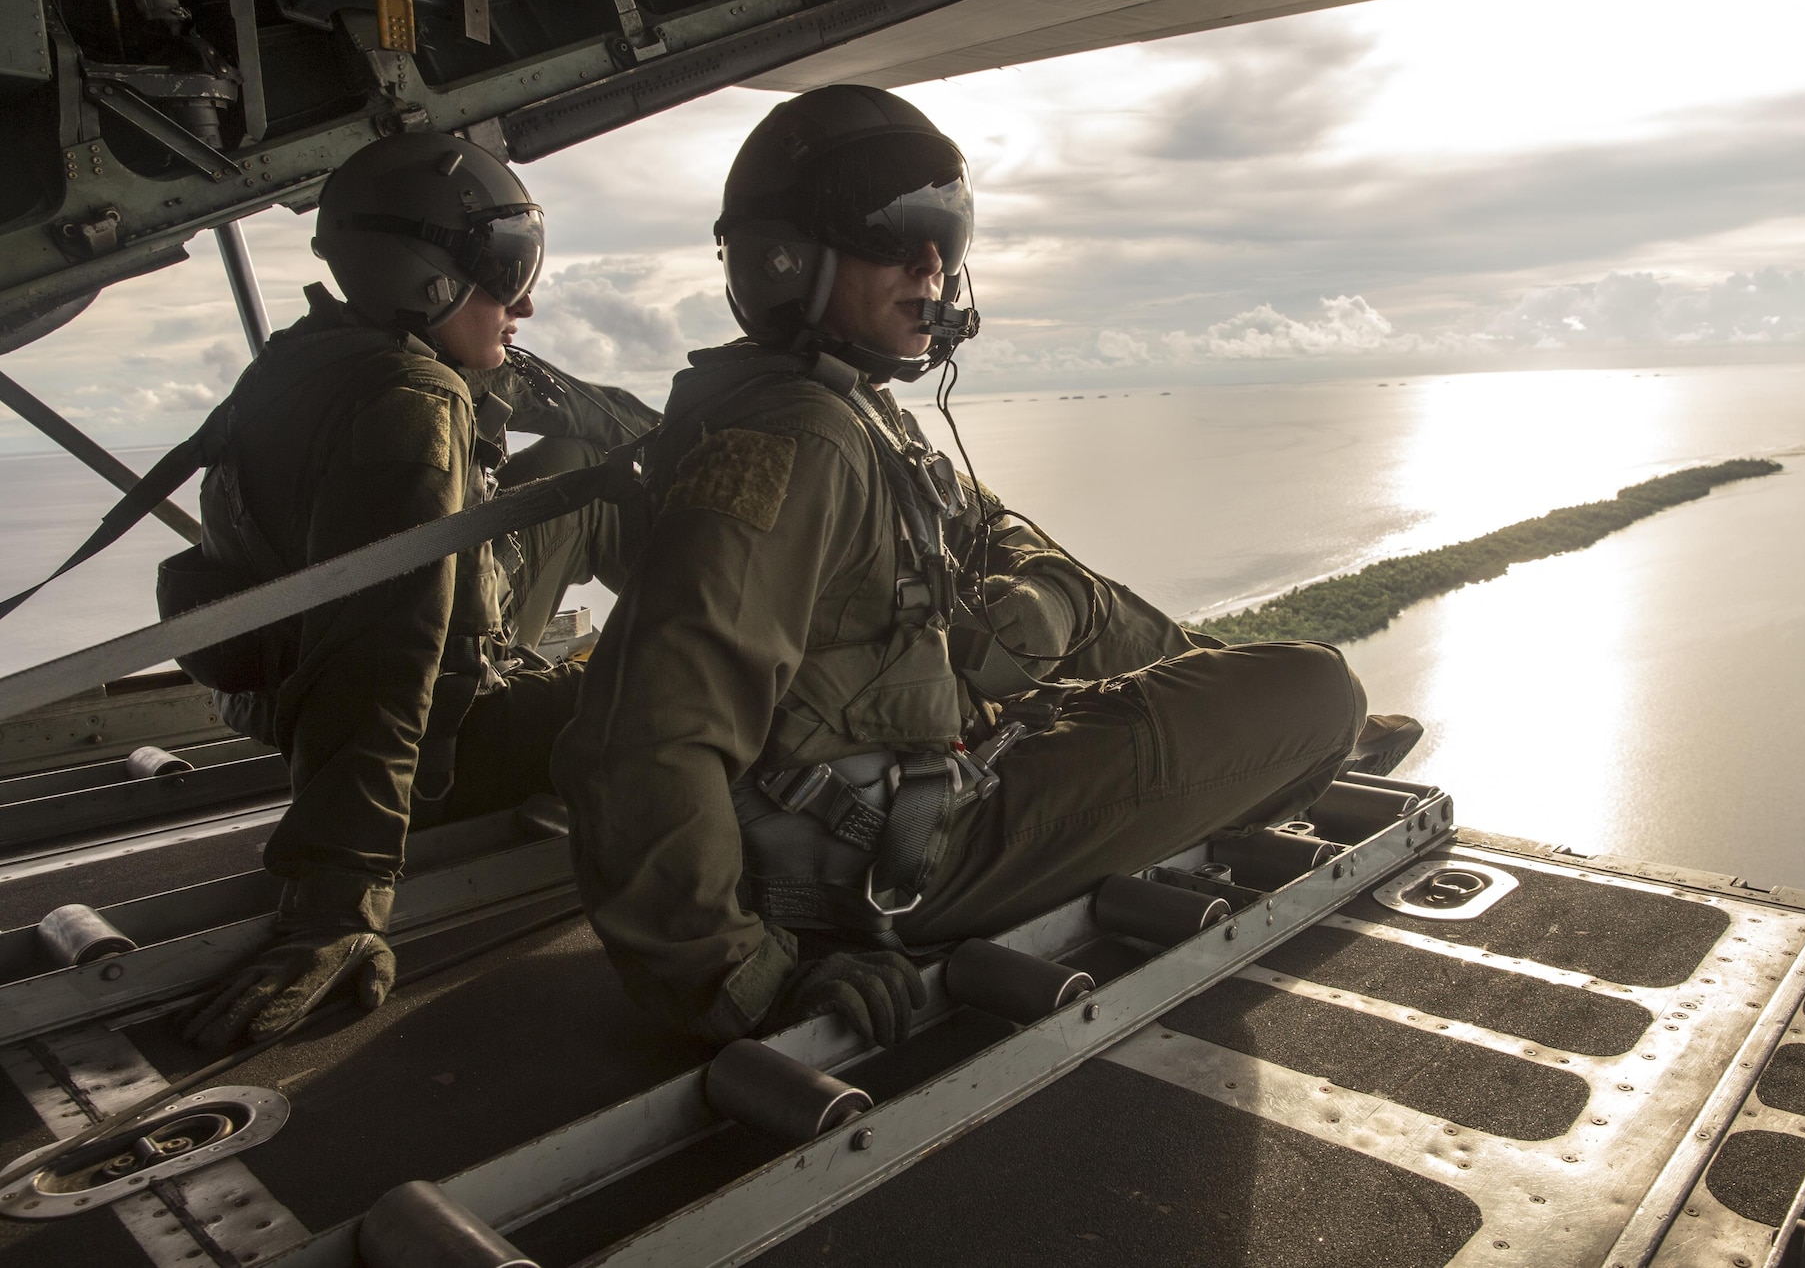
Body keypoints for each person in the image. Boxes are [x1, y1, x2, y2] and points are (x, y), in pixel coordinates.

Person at [554, 85, 1417, 1049]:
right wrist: (747, 977)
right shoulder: (801, 445)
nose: (933, 261)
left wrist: (1044, 595)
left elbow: (989, 526)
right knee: (1318, 689)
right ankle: (1300, 737)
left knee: (1108, 616)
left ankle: (1230, 699)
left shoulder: (840, 411)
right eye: (895, 226)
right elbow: (641, 739)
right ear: (787, 255)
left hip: (918, 791)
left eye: (946, 233)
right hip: (906, 860)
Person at [176, 132, 657, 1048]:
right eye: (507, 268)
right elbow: (381, 662)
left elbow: (584, 411)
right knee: (719, 674)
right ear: (425, 277)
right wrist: (338, 897)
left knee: (583, 465)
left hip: (300, 696)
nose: (525, 298)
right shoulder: (411, 406)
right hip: (442, 755)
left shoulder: (319, 350)